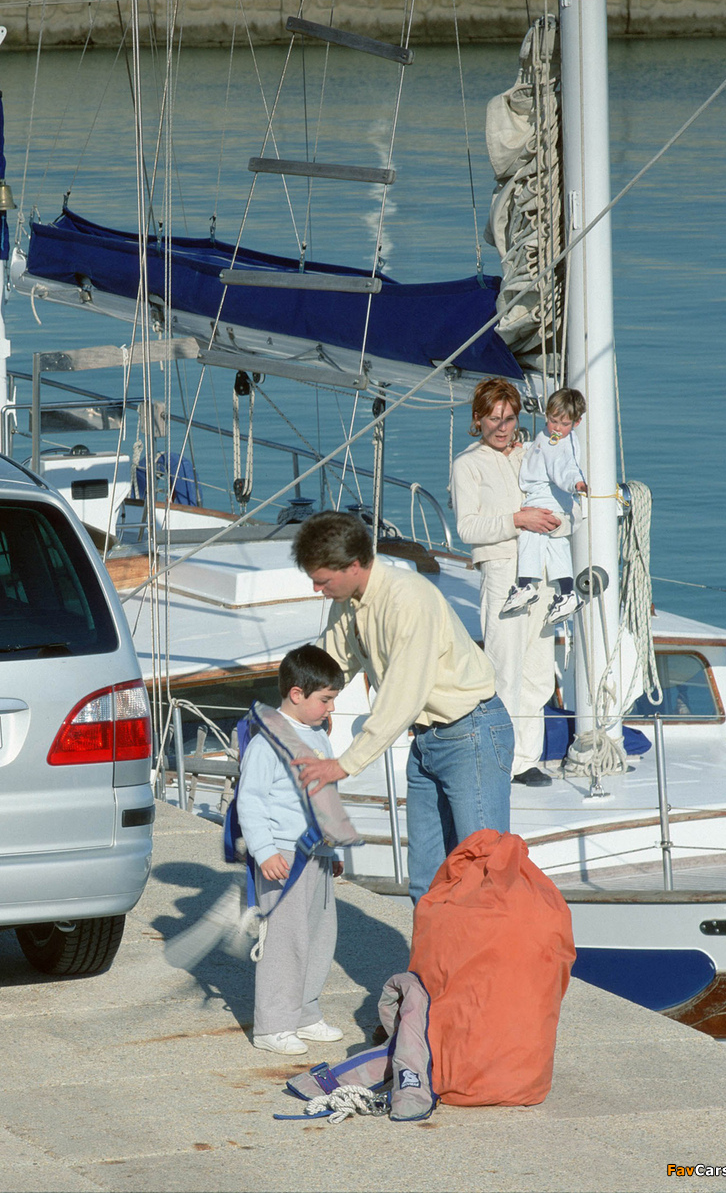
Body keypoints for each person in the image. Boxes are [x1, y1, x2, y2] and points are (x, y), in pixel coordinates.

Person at [289, 511, 513, 902]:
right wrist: (286, 717)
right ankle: (429, 946)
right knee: (426, 880)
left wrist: (344, 765)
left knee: (483, 871)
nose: (316, 589)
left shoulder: (408, 599)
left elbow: (403, 694)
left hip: (472, 734)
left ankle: (498, 944)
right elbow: (329, 663)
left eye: (322, 580)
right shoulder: (349, 602)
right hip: (426, 741)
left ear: (353, 566)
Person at [450, 377, 564, 788]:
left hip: (542, 569)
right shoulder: (468, 464)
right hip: (502, 570)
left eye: (510, 418)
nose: (502, 427)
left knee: (538, 670)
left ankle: (527, 758)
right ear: (478, 418)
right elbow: (467, 527)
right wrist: (518, 520)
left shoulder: (529, 454)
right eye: (494, 419)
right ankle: (502, 760)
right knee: (505, 668)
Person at [237, 645, 347, 1056]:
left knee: (319, 937)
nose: (331, 708)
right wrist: (264, 851)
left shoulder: (318, 736)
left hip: (318, 854)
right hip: (283, 857)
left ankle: (304, 1012)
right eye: (326, 699)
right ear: (297, 694)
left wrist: (333, 849)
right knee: (284, 941)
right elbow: (250, 800)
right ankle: (273, 1025)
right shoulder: (269, 742)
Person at [503, 387, 587, 628]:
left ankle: (525, 585)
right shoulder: (550, 436)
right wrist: (524, 446)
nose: (557, 428)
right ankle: (567, 593)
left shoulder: (564, 445)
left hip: (545, 496)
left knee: (530, 535)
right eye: (552, 420)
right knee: (557, 546)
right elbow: (542, 448)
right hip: (554, 499)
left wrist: (576, 483)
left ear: (577, 423)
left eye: (564, 423)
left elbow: (566, 467)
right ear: (547, 415)